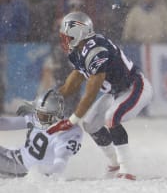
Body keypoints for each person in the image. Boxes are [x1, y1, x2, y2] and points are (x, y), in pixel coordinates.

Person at [46, 11, 153, 180]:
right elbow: (73, 82)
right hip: (115, 91)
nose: (64, 39)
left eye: (67, 35)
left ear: (78, 32)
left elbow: (91, 92)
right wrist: (51, 100)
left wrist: (71, 120)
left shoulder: (96, 49)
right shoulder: (79, 50)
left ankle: (127, 168)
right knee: (90, 124)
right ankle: (114, 162)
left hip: (135, 87)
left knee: (111, 118)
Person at [0, 89, 82, 178]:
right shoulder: (38, 118)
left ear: (57, 114)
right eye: (38, 113)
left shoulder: (66, 132)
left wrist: (49, 174)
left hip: (22, 169)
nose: (38, 118)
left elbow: (61, 161)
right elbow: (6, 124)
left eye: (44, 116)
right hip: (16, 156)